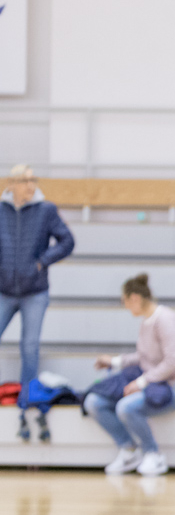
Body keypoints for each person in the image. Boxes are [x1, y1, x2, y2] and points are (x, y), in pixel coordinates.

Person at [85, 274, 175, 477]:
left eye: (125, 301)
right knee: (94, 402)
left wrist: (141, 382)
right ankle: (128, 450)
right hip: (154, 384)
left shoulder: (165, 319)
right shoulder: (147, 322)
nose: (125, 306)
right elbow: (145, 358)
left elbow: (173, 361)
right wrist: (115, 361)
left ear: (134, 298)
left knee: (126, 407)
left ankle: (154, 454)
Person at [1, 164, 75, 443]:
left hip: (35, 292)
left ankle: (26, 403)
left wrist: (42, 261)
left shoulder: (46, 210)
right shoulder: (1, 210)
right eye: (24, 181)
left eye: (33, 180)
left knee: (29, 347)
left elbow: (67, 241)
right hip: (4, 290)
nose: (30, 186)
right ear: (11, 184)